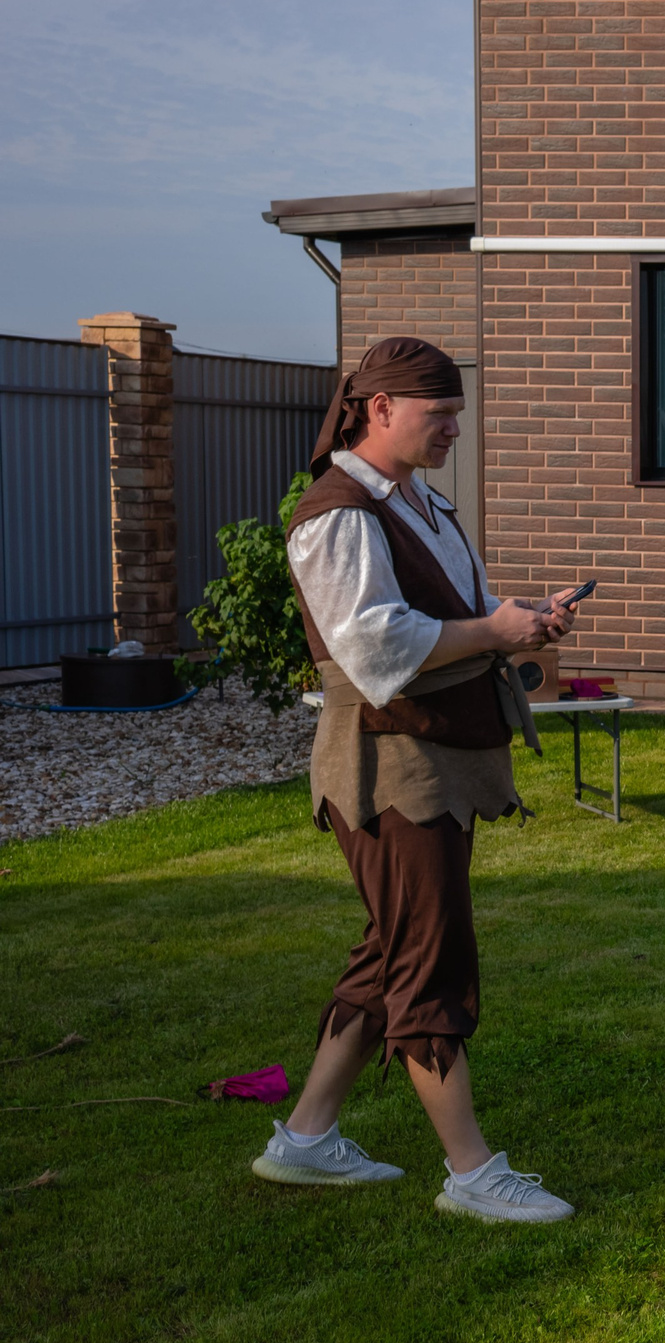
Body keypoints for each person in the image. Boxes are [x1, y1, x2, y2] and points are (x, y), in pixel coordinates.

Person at [254, 336, 585, 1225]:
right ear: (379, 407)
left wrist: (515, 625)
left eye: (456, 414)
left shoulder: (418, 502)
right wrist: (492, 633)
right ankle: (472, 1172)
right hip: (388, 764)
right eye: (438, 413)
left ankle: (307, 1137)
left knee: (391, 950)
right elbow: (377, 646)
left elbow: (445, 619)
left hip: (431, 757)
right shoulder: (335, 512)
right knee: (429, 962)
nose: (452, 428)